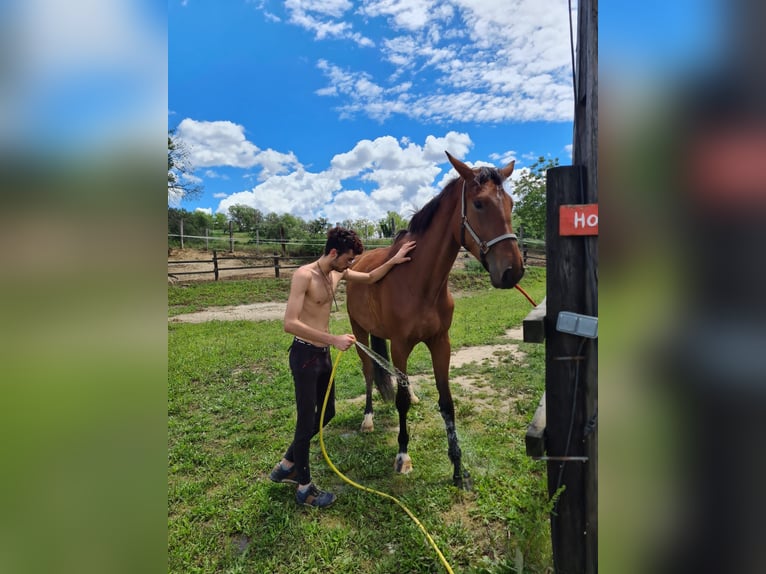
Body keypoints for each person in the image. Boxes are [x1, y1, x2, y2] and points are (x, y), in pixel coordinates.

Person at [269, 226, 416, 508]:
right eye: (349, 259)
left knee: (327, 413)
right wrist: (333, 338)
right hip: (305, 355)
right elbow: (290, 323)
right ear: (334, 252)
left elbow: (371, 276)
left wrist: (394, 260)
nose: (351, 265)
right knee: (305, 422)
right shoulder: (304, 276)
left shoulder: (337, 273)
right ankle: (304, 489)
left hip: (323, 353)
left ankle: (287, 463)